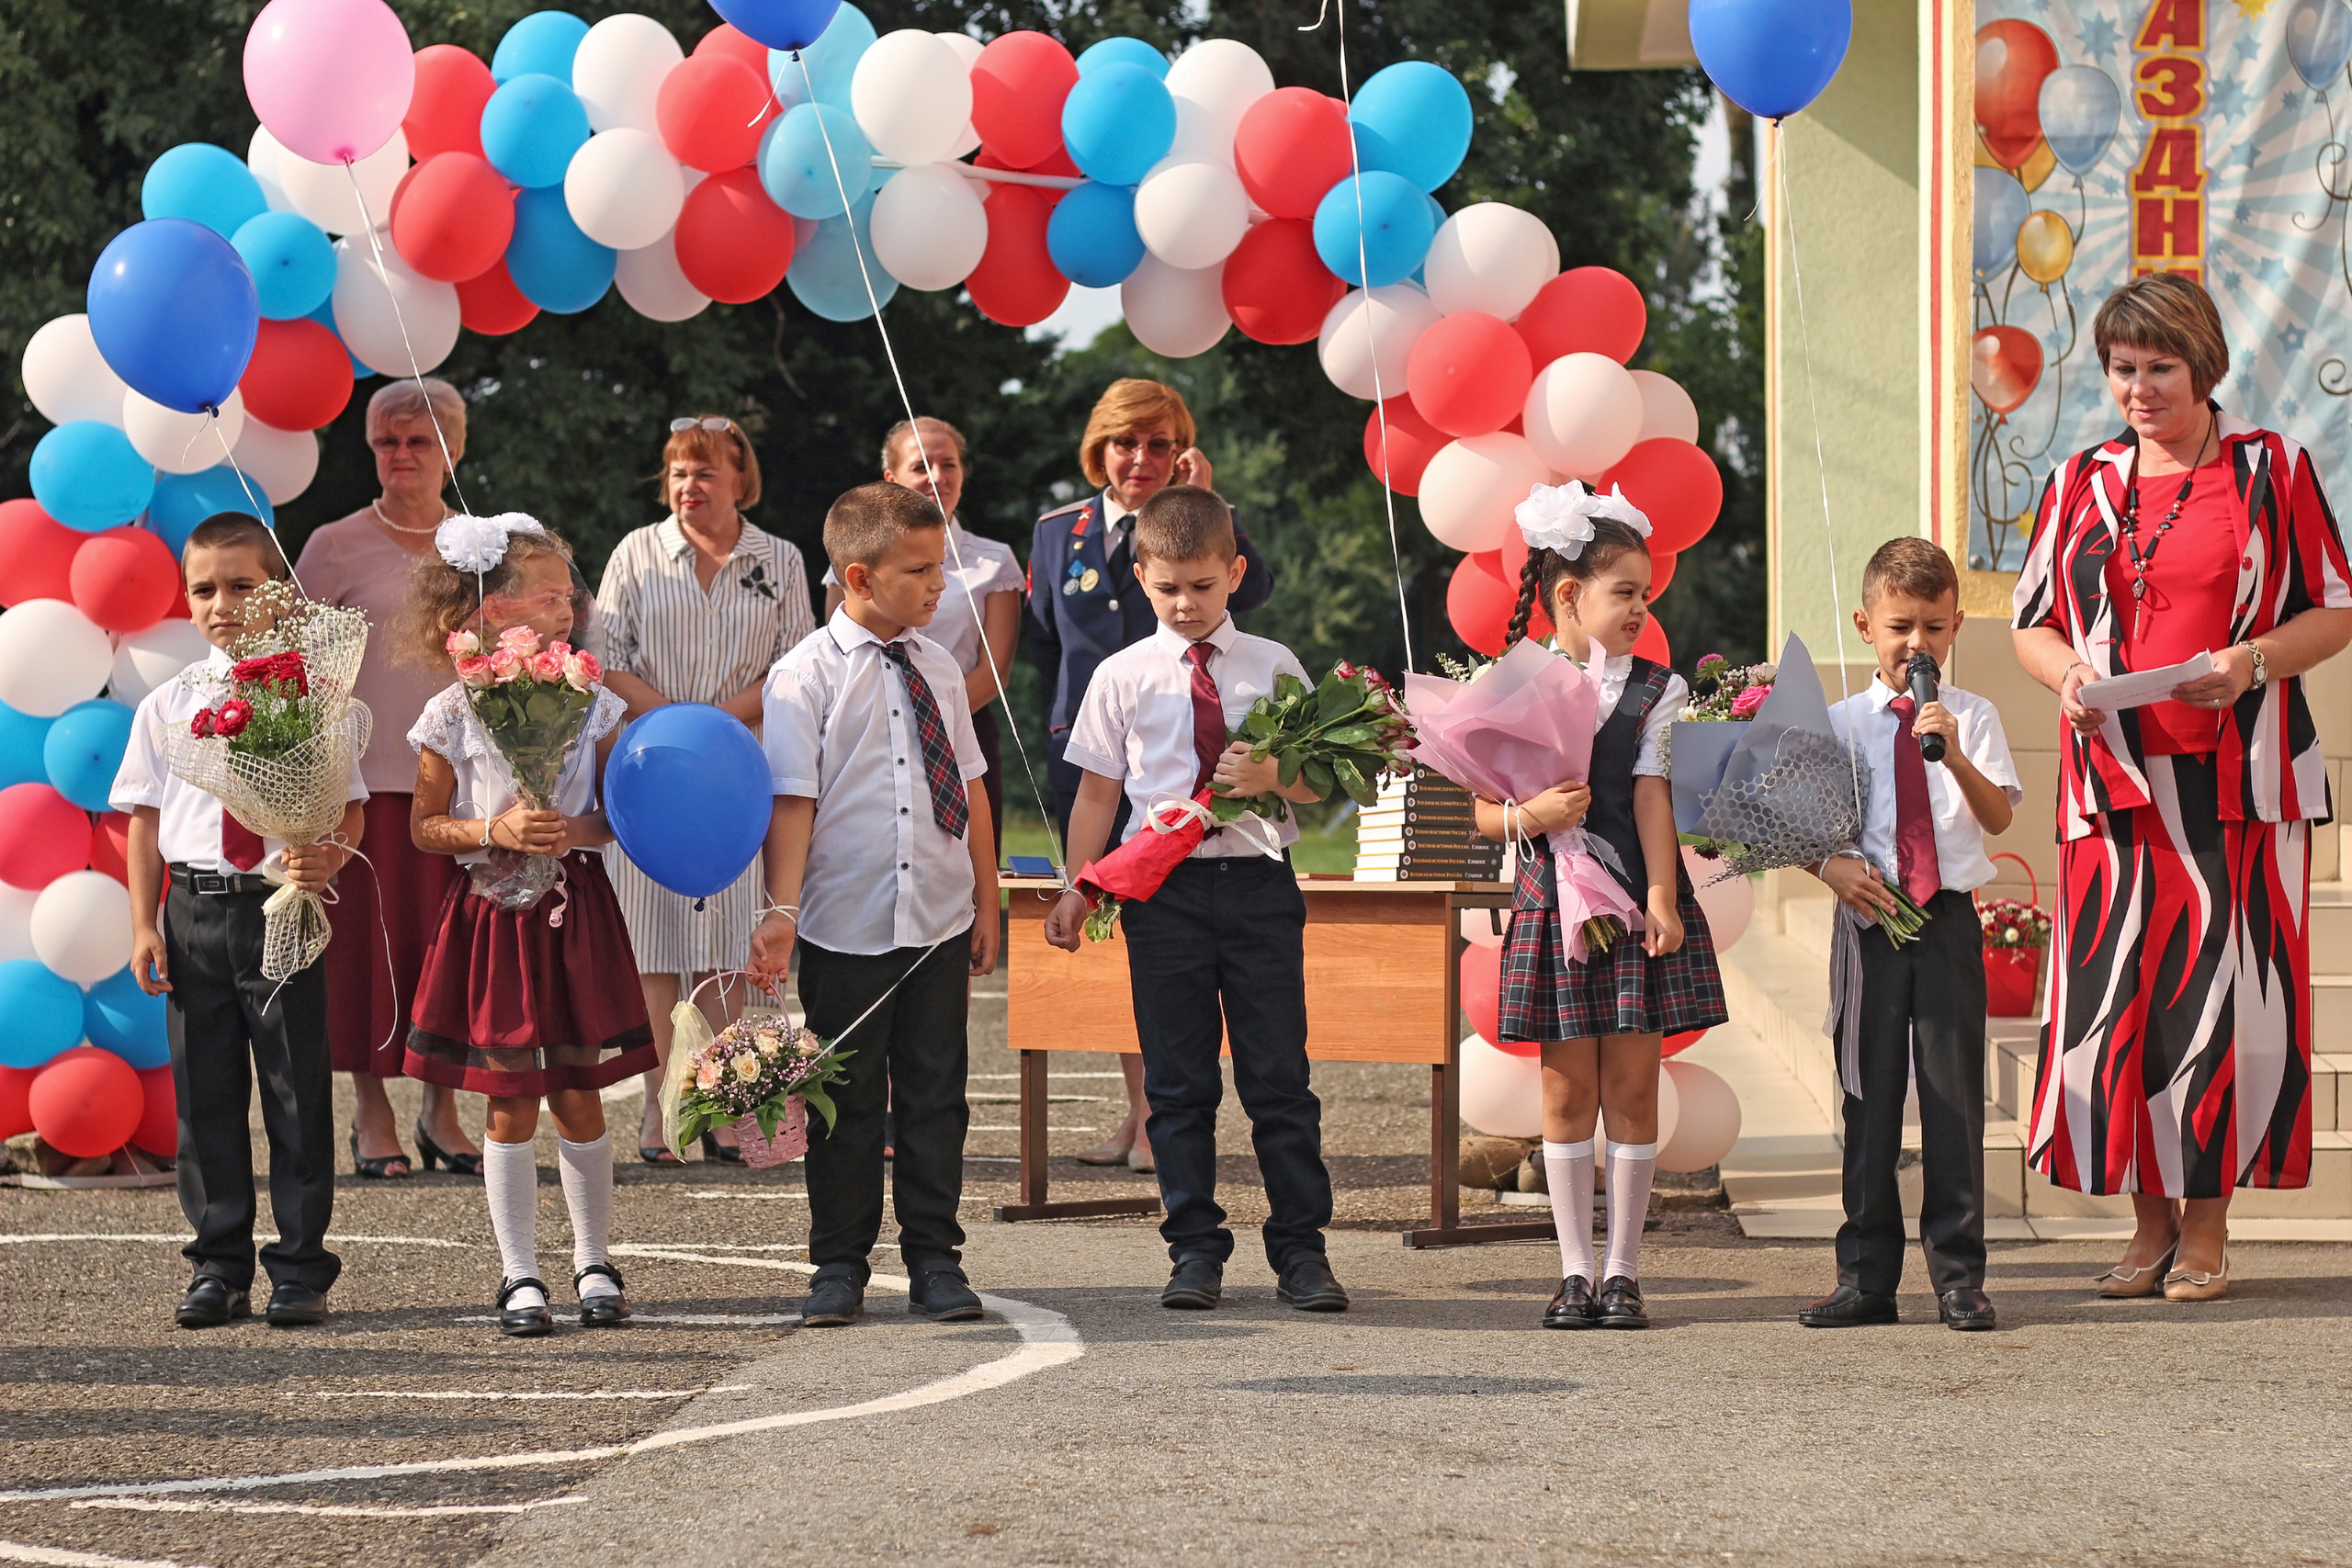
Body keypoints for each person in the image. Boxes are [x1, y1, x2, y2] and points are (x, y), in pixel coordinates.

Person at [2012, 271, 2352, 1303]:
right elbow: (2032, 625)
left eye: (2159, 366)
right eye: (2122, 369)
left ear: (2201, 366)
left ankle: (2206, 1230)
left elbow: (2333, 609)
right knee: (2122, 1008)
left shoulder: (2269, 469)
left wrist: (2248, 663)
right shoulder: (2078, 481)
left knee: (2225, 1004)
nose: (2139, 387)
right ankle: (2144, 1226)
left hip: (2239, 785)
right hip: (2111, 786)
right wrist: (2068, 674)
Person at [1043, 485, 1346, 1314]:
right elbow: (1097, 798)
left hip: (1257, 887)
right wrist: (1078, 886)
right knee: (1177, 1086)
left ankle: (1302, 1252)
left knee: (1279, 1077)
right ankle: (1194, 1249)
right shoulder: (1121, 676)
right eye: (1169, 586)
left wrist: (1274, 774)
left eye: (1204, 587)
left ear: (1236, 573)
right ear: (1141, 576)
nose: (1186, 604)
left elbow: (1321, 781)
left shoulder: (1276, 664)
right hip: (1163, 897)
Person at [1472, 485, 1726, 1332]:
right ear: (1569, 596)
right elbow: (1482, 809)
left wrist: (1663, 893)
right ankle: (1573, 1270)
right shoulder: (1520, 681)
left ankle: (1624, 1271)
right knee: (1565, 1094)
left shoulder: (1660, 687)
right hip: (1555, 908)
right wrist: (1528, 817)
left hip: (1630, 903)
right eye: (1625, 594)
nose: (1639, 611)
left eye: (1646, 596)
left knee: (1632, 1087)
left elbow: (1651, 793)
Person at [749, 482, 1000, 1329]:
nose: (939, 586)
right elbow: (793, 801)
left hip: (936, 913)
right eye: (920, 570)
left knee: (937, 1092)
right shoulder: (802, 675)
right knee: (848, 1099)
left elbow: (970, 784)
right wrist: (780, 910)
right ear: (859, 575)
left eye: (941, 568)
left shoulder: (937, 664)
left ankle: (936, 1256)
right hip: (845, 919)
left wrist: (987, 900)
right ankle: (840, 1262)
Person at [112, 513, 368, 1329]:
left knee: (294, 1088)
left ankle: (300, 1266)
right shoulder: (166, 703)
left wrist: (326, 853)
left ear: (281, 593)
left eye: (242, 585)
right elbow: (143, 822)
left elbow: (351, 808)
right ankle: (218, 1264)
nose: (223, 603)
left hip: (276, 907)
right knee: (206, 1096)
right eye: (204, 588)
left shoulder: (314, 692)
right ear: (186, 599)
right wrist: (144, 924)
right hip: (190, 914)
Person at [401, 514, 650, 1336]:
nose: (567, 608)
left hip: (573, 911)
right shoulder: (453, 709)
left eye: (570, 595)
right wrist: (494, 832)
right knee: (508, 1105)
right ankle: (518, 1274)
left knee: (581, 1094)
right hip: (492, 917)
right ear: (492, 606)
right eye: (549, 595)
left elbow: (619, 818)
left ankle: (594, 1261)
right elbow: (425, 826)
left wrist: (568, 830)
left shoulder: (595, 699)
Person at [1025, 378, 1275, 1173]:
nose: (1140, 459)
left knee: (1177, 946)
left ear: (1181, 452)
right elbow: (1043, 639)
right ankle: (1140, 1110)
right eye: (1125, 443)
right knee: (1127, 938)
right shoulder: (1055, 530)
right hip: (1095, 752)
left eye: (1159, 444)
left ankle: (1155, 1116)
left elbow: (1254, 589)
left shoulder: (1207, 523)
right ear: (1098, 449)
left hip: (1196, 762)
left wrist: (1212, 502)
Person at [1799, 538, 2020, 1333]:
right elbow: (1801, 827)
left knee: (1952, 1098)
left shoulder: (1976, 717)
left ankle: (1959, 1276)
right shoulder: (1837, 722)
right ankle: (1866, 1276)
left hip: (1947, 922)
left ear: (1957, 625)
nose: (1916, 644)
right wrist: (1831, 870)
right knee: (1869, 1097)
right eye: (1900, 626)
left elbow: (1997, 816)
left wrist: (1953, 753)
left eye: (1933, 626)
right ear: (1866, 625)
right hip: (1869, 921)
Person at [596, 415, 816, 1166]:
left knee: (729, 945)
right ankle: (663, 1110)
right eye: (679, 473)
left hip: (738, 773)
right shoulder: (634, 553)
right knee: (654, 945)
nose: (690, 487)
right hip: (651, 770)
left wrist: (716, 728)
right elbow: (604, 656)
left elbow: (795, 663)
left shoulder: (780, 558)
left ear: (740, 480)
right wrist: (679, 724)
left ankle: (726, 1109)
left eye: (706, 473)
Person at [296, 378, 476, 1180]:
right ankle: (371, 1111)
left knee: (455, 955)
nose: (401, 456)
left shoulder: (483, 545)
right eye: (386, 442)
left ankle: (442, 1110)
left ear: (454, 451)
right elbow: (295, 670)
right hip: (365, 790)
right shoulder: (332, 544)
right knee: (371, 958)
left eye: (420, 442)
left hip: (464, 791)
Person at [824, 418, 1023, 857]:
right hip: (867, 731)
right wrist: (887, 723)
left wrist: (925, 722)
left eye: (948, 464)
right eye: (921, 466)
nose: (937, 476)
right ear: (891, 480)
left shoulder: (995, 561)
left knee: (966, 860)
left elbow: (994, 673)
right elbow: (840, 650)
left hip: (964, 726)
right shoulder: (855, 556)